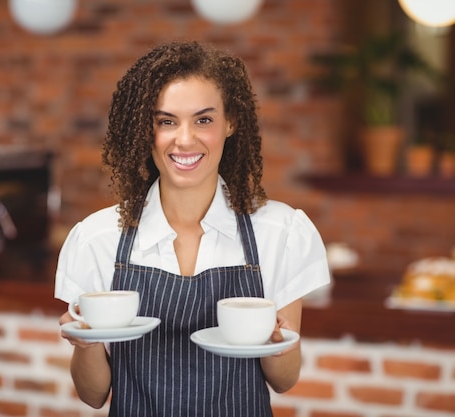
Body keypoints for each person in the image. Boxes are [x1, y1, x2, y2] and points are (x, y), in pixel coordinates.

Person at [55, 40, 330, 417]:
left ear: (230, 121)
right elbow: (93, 395)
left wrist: (276, 342)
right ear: (145, 130)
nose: (185, 139)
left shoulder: (280, 233)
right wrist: (84, 343)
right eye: (166, 121)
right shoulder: (97, 239)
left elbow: (284, 380)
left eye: (204, 119)